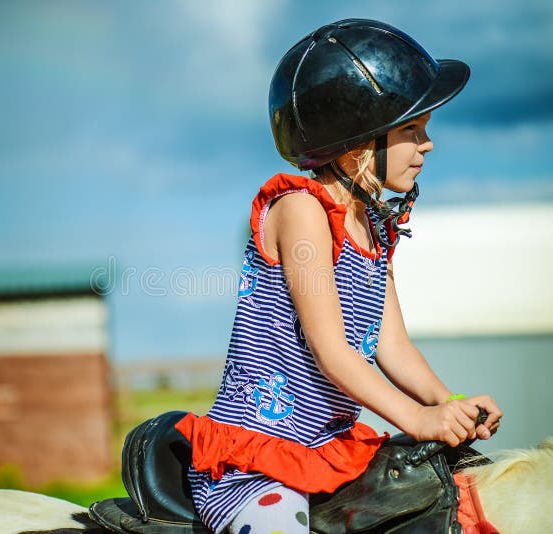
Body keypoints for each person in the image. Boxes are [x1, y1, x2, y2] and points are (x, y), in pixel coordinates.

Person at [175, 18, 503, 533]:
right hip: (256, 462)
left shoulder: (375, 226)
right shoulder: (300, 209)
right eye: (412, 131)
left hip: (327, 452)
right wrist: (415, 420)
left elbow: (392, 346)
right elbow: (332, 352)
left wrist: (448, 404)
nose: (428, 145)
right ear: (357, 141)